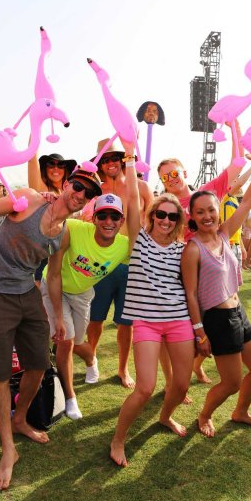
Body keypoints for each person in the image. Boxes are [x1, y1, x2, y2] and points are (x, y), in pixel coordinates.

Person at [0, 141, 101, 491]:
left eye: (88, 193)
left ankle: (20, 418)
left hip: (27, 295)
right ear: (68, 183)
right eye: (79, 185)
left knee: (38, 364)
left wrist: (55, 314)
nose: (81, 194)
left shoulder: (63, 234)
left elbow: (52, 276)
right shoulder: (29, 199)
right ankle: (8, 450)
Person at [110, 148, 195, 467]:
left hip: (178, 322)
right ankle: (118, 439)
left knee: (181, 384)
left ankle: (165, 417)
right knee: (145, 387)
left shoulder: (183, 248)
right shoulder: (139, 239)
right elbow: (132, 196)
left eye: (172, 216)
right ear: (152, 216)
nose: (166, 220)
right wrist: (130, 161)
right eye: (161, 214)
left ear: (179, 221)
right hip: (146, 322)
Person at [181, 153, 251, 438]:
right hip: (218, 319)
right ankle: (204, 415)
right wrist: (200, 333)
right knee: (231, 382)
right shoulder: (192, 248)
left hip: (237, 311)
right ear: (192, 217)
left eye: (211, 210)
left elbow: (247, 200)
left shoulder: (224, 232)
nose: (207, 216)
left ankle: (240, 411)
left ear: (218, 210)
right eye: (200, 212)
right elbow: (191, 294)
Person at [157, 122, 244, 385]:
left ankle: (195, 367)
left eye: (174, 173)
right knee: (173, 333)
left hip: (211, 275)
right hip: (177, 275)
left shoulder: (205, 195)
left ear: (184, 171)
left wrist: (234, 126)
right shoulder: (163, 206)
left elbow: (237, 165)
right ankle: (173, 381)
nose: (172, 179)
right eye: (165, 177)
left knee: (210, 325)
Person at [41, 186, 136, 419]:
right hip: (55, 288)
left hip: (83, 294)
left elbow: (144, 233)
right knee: (65, 341)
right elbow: (53, 274)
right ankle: (71, 398)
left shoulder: (124, 247)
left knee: (78, 341)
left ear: (122, 220)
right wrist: (46, 199)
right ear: (93, 218)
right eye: (102, 215)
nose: (108, 221)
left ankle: (91, 358)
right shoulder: (73, 228)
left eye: (115, 216)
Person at [84, 139, 154, 388]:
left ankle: (123, 370)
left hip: (132, 264)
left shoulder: (142, 187)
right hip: (100, 262)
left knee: (126, 323)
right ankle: (91, 361)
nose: (110, 163)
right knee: (95, 319)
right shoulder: (93, 188)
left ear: (124, 159)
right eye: (104, 160)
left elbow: (154, 223)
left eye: (115, 158)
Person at [28, 152, 77, 285]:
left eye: (60, 165)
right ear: (44, 169)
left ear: (66, 170)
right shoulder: (41, 189)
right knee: (41, 299)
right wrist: (35, 131)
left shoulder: (70, 193)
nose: (56, 169)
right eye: (51, 164)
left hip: (66, 253)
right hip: (44, 252)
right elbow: (31, 160)